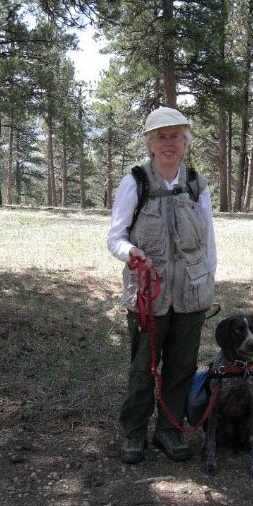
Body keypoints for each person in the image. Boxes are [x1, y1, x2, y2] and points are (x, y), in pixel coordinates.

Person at [107, 106, 217, 464]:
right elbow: (115, 237)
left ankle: (168, 431)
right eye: (160, 137)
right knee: (143, 366)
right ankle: (134, 434)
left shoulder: (197, 184)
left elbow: (208, 239)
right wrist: (130, 252)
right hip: (147, 295)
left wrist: (209, 283)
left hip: (191, 293)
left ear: (185, 143)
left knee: (181, 367)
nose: (168, 143)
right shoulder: (135, 182)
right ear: (150, 144)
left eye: (175, 137)